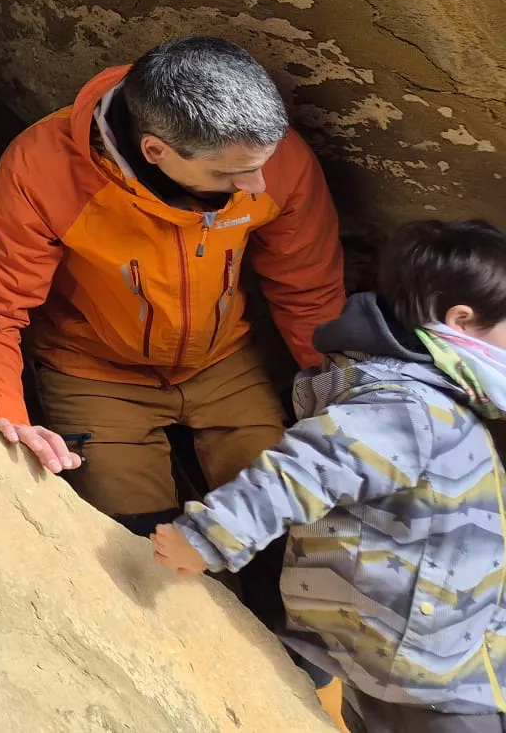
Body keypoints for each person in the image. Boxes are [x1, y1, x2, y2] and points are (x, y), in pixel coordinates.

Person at [0, 35, 345, 533]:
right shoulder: (42, 169)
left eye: (262, 165)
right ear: (155, 150)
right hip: (93, 373)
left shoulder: (268, 155)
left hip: (223, 362)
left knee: (288, 532)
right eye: (233, 175)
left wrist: (348, 390)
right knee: (138, 550)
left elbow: (308, 290)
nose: (259, 186)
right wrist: (2, 417)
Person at [155, 220, 506, 733]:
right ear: (461, 321)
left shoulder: (424, 398)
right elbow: (299, 471)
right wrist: (208, 539)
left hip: (429, 637)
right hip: (428, 663)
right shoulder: (408, 407)